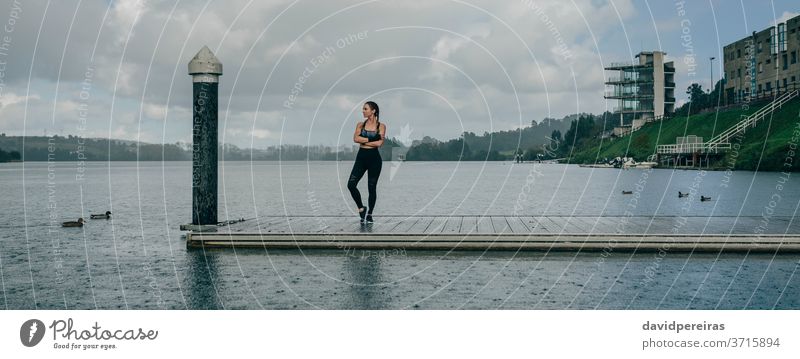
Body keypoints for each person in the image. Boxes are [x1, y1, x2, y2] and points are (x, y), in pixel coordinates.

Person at [348, 101, 386, 223]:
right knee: (351, 185)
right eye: (363, 109)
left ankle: (369, 214)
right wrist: (371, 138)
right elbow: (355, 139)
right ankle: (361, 208)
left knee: (372, 187)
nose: (363, 111)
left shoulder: (381, 126)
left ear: (373, 111)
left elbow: (379, 143)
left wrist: (364, 140)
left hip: (374, 159)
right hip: (361, 157)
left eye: (365, 109)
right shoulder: (360, 124)